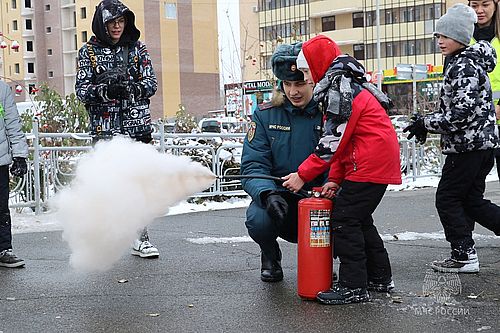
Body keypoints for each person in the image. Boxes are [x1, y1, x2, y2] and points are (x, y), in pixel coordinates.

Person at [282, 35, 402, 305]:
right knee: (359, 219)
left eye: (305, 71)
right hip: (373, 161)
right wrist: (335, 179)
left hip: (367, 164)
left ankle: (353, 285)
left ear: (317, 65)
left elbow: (331, 142)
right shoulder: (348, 83)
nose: (307, 78)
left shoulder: (339, 90)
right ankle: (380, 277)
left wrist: (302, 175)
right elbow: (343, 141)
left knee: (344, 220)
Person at [404, 3, 500, 273]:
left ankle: (463, 255)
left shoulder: (463, 66)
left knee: (447, 198)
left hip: (468, 147)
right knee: (471, 200)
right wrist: (429, 120)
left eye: (444, 36)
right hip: (479, 145)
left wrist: (426, 122)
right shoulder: (464, 62)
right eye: (438, 36)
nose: (439, 42)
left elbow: (459, 114)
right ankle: (464, 253)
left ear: (460, 37)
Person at [75, 0, 159, 258]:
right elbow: (81, 91)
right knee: (108, 184)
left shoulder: (137, 49)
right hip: (105, 129)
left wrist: (132, 88)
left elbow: (151, 83)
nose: (117, 27)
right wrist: (105, 90)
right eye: (112, 22)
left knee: (139, 182)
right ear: (102, 23)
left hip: (136, 128)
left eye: (121, 21)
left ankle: (140, 237)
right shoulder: (87, 52)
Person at [240, 42, 325, 282]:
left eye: (299, 83)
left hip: (318, 196)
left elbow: (338, 160)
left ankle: (326, 260)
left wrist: (328, 193)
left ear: (312, 81)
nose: (293, 91)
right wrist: (267, 194)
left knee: (346, 217)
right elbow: (252, 165)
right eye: (287, 84)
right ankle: (269, 254)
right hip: (278, 195)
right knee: (258, 219)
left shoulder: (328, 112)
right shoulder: (265, 115)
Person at [469, 0, 500, 180]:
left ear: (495, 5)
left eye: (485, 4)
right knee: (473, 187)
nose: (479, 10)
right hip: (476, 124)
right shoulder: (464, 37)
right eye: (474, 5)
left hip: (498, 118)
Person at [0, 80, 29, 268]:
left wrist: (19, 155)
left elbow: (12, 123)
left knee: (1, 208)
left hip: (0, 160)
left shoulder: (2, 89)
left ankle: (3, 249)